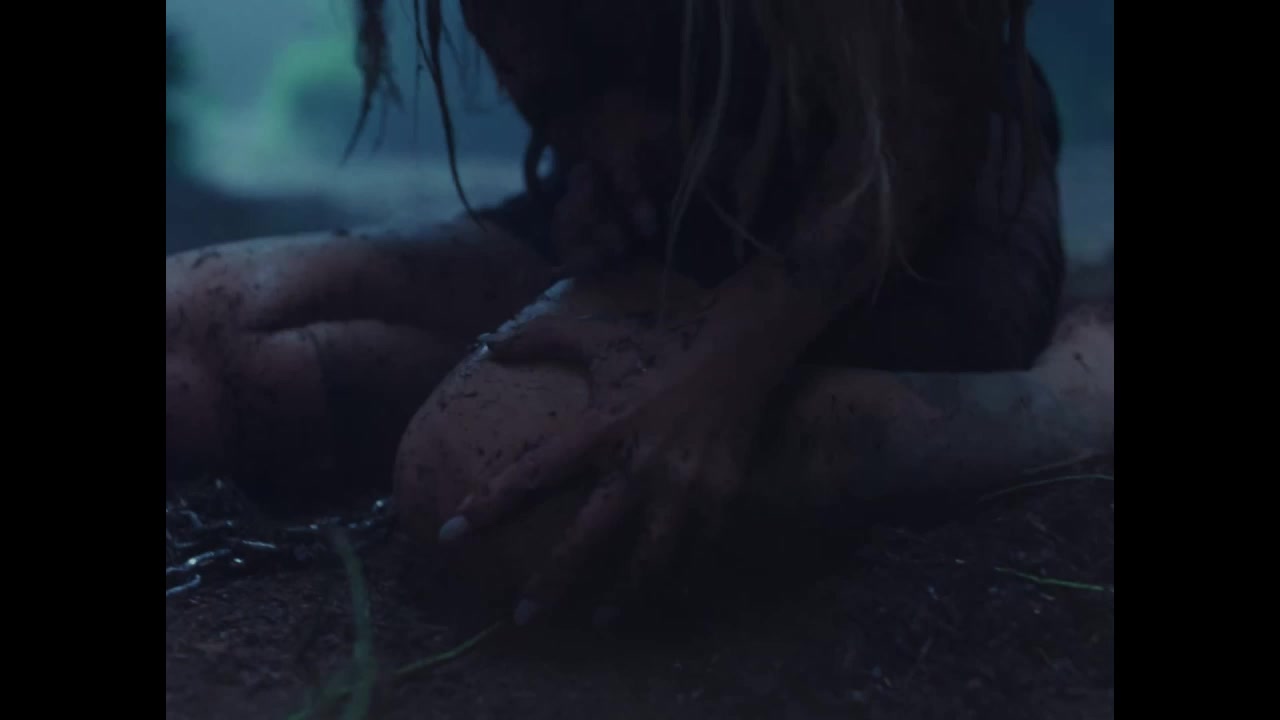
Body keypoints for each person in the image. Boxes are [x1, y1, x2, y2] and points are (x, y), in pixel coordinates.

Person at [165, 0, 1113, 622]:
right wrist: (605, 158)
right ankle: (544, 398)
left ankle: (1066, 404)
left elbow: (933, 106)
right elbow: (580, 94)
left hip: (901, 230)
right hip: (673, 236)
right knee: (190, 330)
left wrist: (729, 359)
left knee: (482, 475)